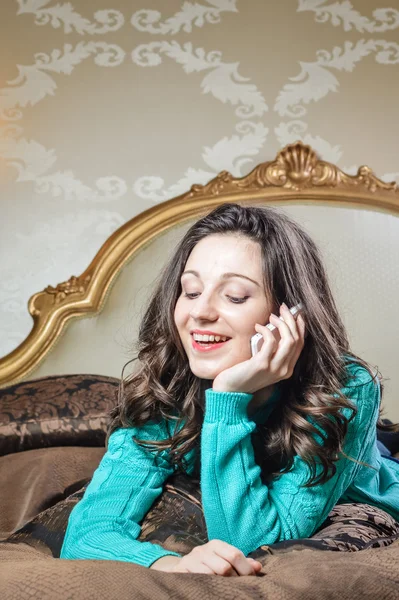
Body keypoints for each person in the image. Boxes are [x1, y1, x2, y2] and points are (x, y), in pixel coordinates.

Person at [60, 203, 399, 576]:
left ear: (290, 314)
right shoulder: (167, 388)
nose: (200, 312)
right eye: (190, 291)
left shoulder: (348, 387)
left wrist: (226, 398)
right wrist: (169, 564)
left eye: (235, 296)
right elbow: (87, 534)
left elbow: (253, 543)